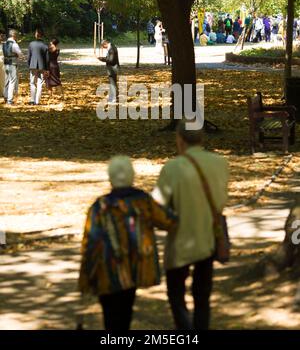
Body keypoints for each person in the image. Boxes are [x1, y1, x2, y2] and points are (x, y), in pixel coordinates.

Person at [78, 156, 177, 331]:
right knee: (125, 316)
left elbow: (90, 245)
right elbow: (168, 221)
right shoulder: (143, 201)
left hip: (107, 273)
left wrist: (86, 279)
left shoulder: (99, 207)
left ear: (110, 178)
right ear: (132, 176)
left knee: (110, 319)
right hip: (133, 272)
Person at [152, 119, 229, 330]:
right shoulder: (220, 163)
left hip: (180, 239)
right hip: (209, 237)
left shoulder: (172, 168)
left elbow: (158, 206)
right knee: (202, 295)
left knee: (176, 294)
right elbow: (221, 201)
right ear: (202, 138)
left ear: (179, 139)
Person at [28, 28, 49, 105]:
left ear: (36, 35)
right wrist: (47, 69)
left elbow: (29, 57)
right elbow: (47, 59)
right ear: (42, 35)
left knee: (32, 82)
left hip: (33, 65)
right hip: (42, 66)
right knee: (40, 83)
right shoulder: (45, 45)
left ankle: (32, 100)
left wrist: (29, 65)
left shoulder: (31, 44)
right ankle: (37, 101)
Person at [2, 29, 22, 105]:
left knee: (6, 81)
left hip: (6, 64)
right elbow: (20, 54)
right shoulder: (14, 44)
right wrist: (20, 56)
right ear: (13, 35)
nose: (17, 37)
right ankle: (10, 100)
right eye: (16, 35)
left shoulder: (4, 43)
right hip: (12, 64)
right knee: (12, 81)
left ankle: (5, 97)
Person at [98, 40, 120, 104]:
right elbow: (110, 58)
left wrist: (102, 59)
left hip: (112, 69)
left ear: (105, 44)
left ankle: (113, 99)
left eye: (103, 47)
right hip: (113, 68)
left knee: (112, 84)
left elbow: (110, 60)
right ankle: (114, 97)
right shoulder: (112, 47)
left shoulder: (111, 49)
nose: (103, 48)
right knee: (113, 83)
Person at [0, 32, 6, 99]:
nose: (1, 37)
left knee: (3, 78)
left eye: (2, 36)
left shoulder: (4, 45)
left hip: (3, 62)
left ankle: (3, 93)